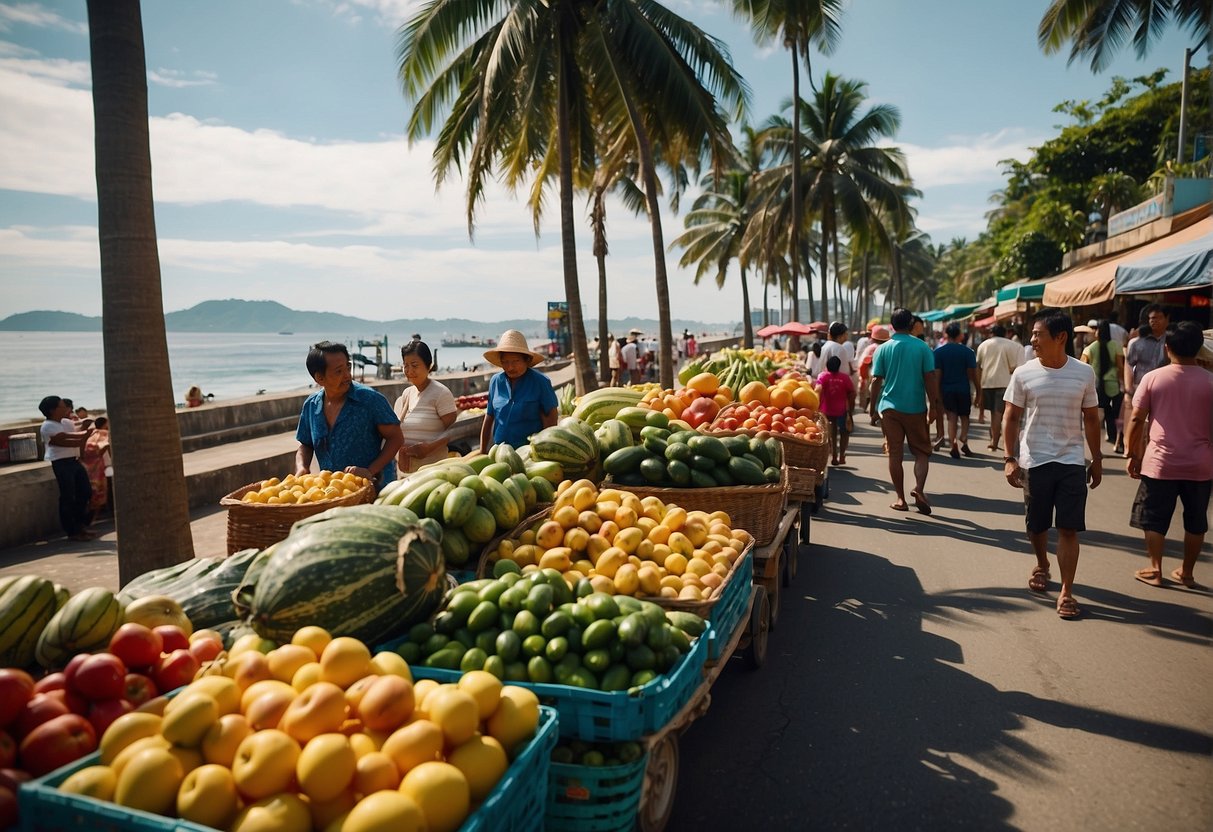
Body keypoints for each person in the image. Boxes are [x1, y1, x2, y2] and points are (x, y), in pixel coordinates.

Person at [1002, 309, 1102, 620]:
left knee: (1069, 528)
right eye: (1031, 335)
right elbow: (1011, 416)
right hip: (1035, 460)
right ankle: (1042, 563)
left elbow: (1091, 418)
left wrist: (1096, 459)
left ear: (1060, 338)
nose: (1032, 340)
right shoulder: (1023, 373)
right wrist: (1009, 458)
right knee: (1037, 525)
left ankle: (1067, 591)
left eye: (1037, 334)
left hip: (1071, 460)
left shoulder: (1084, 373)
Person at [1125, 321, 1213, 589]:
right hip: (1200, 464)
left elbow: (1137, 418)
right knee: (1196, 519)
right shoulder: (1210, 381)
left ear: (1167, 347)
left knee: (1153, 516)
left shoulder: (1153, 377)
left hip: (1160, 462)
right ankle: (1186, 573)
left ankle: (1155, 568)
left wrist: (1132, 453)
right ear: (1199, 348)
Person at [295, 341, 402, 493]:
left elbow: (396, 437)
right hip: (333, 494)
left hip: (376, 492)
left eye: (348, 367)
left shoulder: (370, 399)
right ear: (319, 378)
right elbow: (305, 445)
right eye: (339, 371)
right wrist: (302, 468)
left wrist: (370, 471)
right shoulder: (311, 406)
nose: (347, 375)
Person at [869, 308, 941, 514]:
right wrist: (933, 406)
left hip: (889, 408)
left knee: (894, 454)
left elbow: (876, 381)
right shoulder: (922, 347)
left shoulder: (882, 349)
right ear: (911, 325)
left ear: (891, 326)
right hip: (916, 408)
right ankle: (918, 488)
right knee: (921, 452)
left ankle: (900, 498)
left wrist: (873, 408)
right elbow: (930, 377)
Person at [479, 330, 559, 451]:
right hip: (500, 450)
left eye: (515, 361)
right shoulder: (495, 381)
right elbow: (489, 417)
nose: (510, 367)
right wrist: (482, 450)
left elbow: (552, 416)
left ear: (526, 360)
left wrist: (545, 448)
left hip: (530, 451)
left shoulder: (540, 381)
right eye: (505, 362)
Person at [393, 340, 458, 474]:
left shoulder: (441, 393)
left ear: (428, 366)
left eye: (414, 365)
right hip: (408, 473)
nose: (409, 371)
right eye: (406, 365)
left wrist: (429, 448)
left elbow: (454, 431)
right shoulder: (407, 394)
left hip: (434, 472)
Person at [38, 395, 96, 541]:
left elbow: (76, 436)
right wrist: (85, 434)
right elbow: (64, 440)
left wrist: (83, 429)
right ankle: (72, 531)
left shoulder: (67, 422)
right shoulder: (48, 426)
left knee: (85, 491)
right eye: (62, 407)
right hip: (61, 463)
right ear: (53, 410)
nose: (67, 409)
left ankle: (80, 525)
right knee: (68, 496)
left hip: (74, 461)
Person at [974, 323, 1023, 453]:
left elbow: (978, 367)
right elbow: (1016, 367)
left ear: (992, 334)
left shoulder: (983, 345)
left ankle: (994, 440)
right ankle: (997, 440)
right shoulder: (1013, 345)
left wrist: (978, 386)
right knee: (1000, 414)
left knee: (994, 414)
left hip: (987, 383)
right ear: (1005, 333)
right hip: (1005, 383)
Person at [1080, 319, 1126, 454]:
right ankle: (1116, 440)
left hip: (1096, 386)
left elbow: (1083, 367)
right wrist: (1123, 382)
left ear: (1098, 332)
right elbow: (1120, 366)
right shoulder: (1116, 346)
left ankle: (1096, 449)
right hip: (1113, 386)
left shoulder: (1090, 348)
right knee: (1115, 414)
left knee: (1095, 419)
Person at [934, 323, 978, 458]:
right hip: (963, 389)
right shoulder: (968, 352)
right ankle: (963, 438)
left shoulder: (938, 352)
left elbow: (937, 375)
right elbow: (972, 374)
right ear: (959, 335)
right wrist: (978, 390)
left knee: (951, 417)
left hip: (947, 390)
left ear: (946, 335)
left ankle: (953, 441)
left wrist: (936, 394)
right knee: (965, 417)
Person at [816, 355, 856, 466]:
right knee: (844, 433)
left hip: (826, 410)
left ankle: (833, 455)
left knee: (830, 433)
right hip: (842, 410)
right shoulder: (845, 378)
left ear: (827, 366)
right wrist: (850, 409)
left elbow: (817, 390)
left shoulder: (823, 376)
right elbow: (852, 392)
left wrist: (817, 406)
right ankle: (842, 455)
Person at [1124, 304, 1169, 396]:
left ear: (1167, 319)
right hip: (1140, 390)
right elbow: (1129, 365)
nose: (1154, 321)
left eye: (1159, 318)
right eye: (1152, 318)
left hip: (1165, 390)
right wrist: (1129, 388)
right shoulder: (1136, 343)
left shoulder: (1172, 341)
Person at [80, 415, 112, 518]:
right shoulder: (102, 436)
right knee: (104, 492)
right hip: (104, 468)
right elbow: (102, 451)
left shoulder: (91, 437)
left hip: (97, 470)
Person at [859, 325, 890, 420]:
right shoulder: (888, 348)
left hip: (873, 376)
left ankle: (873, 413)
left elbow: (864, 363)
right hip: (885, 379)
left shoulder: (872, 348)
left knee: (873, 396)